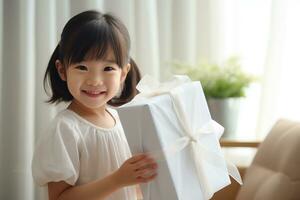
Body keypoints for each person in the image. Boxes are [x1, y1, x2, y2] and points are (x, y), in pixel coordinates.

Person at [32, 10, 158, 200]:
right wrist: (117, 180)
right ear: (62, 70)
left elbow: (134, 190)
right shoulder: (64, 130)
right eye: (82, 67)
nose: (95, 81)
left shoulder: (124, 120)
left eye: (108, 68)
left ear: (123, 73)